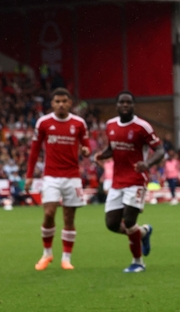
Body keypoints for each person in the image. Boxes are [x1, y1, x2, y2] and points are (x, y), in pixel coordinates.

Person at [93, 91, 165, 273]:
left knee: (129, 220)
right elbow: (112, 148)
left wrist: (147, 163)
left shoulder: (143, 127)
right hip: (117, 181)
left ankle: (138, 261)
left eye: (128, 102)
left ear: (133, 105)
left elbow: (160, 150)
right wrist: (102, 154)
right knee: (111, 224)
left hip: (136, 180)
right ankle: (143, 233)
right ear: (117, 105)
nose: (125, 105)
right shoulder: (110, 125)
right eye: (122, 102)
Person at [24, 88, 91, 271]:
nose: (61, 104)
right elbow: (35, 150)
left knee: (69, 218)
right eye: (57, 102)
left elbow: (86, 146)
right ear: (52, 104)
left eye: (64, 101)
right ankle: (47, 254)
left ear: (70, 103)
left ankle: (66, 259)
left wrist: (86, 151)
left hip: (72, 177)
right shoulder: (44, 123)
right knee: (48, 214)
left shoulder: (79, 123)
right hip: (51, 176)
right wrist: (29, 175)